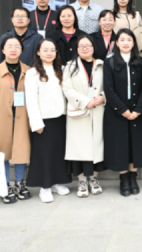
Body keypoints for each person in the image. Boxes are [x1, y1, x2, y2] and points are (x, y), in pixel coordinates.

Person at [0, 36, 31, 204]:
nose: (13, 49)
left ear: (21, 50)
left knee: (21, 151)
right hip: (2, 118)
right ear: (2, 50)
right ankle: (5, 185)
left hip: (22, 118)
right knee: (2, 152)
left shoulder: (29, 71)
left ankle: (19, 183)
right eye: (9, 46)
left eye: (17, 46)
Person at [103, 29, 142, 197]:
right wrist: (123, 110)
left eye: (129, 39)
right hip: (117, 111)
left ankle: (133, 177)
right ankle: (123, 178)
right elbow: (108, 89)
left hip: (137, 111)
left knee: (135, 144)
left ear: (133, 43)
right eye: (122, 39)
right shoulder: (109, 62)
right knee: (120, 145)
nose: (125, 43)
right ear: (116, 43)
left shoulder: (141, 61)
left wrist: (138, 109)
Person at [24, 39, 71, 203]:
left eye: (52, 50)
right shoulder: (32, 73)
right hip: (44, 119)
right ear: (38, 52)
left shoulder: (62, 70)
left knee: (58, 153)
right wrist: (36, 122)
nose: (49, 53)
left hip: (61, 117)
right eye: (45, 50)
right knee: (44, 154)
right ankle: (45, 187)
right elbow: (31, 100)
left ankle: (56, 182)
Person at [62, 35, 106, 198]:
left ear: (94, 47)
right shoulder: (70, 66)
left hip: (98, 111)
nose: (85, 48)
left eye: (88, 45)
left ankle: (93, 179)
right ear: (76, 49)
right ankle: (82, 181)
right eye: (81, 46)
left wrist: (102, 97)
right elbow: (67, 88)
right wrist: (85, 101)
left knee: (96, 146)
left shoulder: (101, 65)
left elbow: (109, 85)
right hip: (79, 112)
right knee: (79, 148)